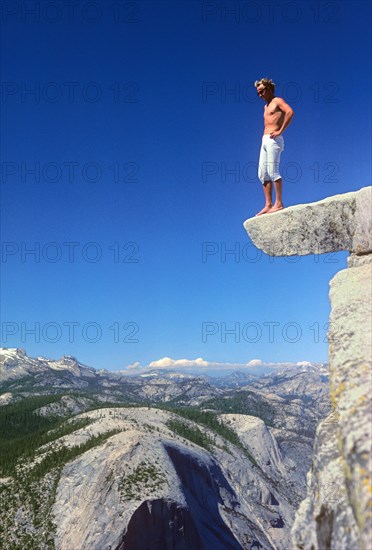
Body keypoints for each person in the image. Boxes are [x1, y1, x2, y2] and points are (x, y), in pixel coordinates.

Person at [254, 78, 294, 216]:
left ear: (269, 89)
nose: (260, 95)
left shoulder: (277, 101)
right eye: (258, 93)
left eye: (262, 91)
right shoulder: (265, 107)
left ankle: (279, 203)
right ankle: (268, 204)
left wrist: (280, 131)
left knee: (272, 171)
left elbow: (290, 112)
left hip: (274, 139)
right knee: (262, 174)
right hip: (265, 140)